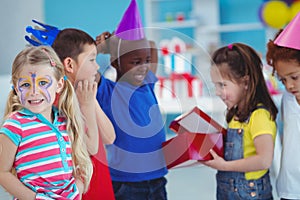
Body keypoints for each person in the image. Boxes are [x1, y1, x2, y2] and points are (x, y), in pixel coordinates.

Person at [95, 0, 168, 199]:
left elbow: (151, 47)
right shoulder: (107, 91)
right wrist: (102, 48)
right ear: (116, 63)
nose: (143, 67)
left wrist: (119, 44)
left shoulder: (147, 84)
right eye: (135, 62)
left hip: (158, 179)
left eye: (145, 61)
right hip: (126, 184)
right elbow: (86, 67)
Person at [0, 45, 93, 199]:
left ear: (59, 85)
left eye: (43, 83)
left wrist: (78, 186)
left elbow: (77, 161)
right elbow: (2, 172)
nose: (34, 92)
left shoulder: (65, 120)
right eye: (26, 85)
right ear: (16, 88)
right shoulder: (15, 125)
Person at [202, 43, 278, 200]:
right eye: (215, 86)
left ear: (245, 82)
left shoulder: (259, 116)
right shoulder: (235, 115)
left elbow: (264, 160)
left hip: (251, 193)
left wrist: (225, 166)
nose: (217, 92)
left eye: (222, 85)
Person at [51, 28, 116, 200]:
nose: (97, 66)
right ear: (70, 65)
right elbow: (90, 148)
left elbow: (110, 138)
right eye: (92, 60)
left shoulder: (86, 93)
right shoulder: (57, 103)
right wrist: (87, 104)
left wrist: (92, 101)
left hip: (102, 187)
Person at [266, 12, 300, 200]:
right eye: (282, 80)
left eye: (294, 77)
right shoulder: (288, 98)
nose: (289, 85)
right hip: (289, 188)